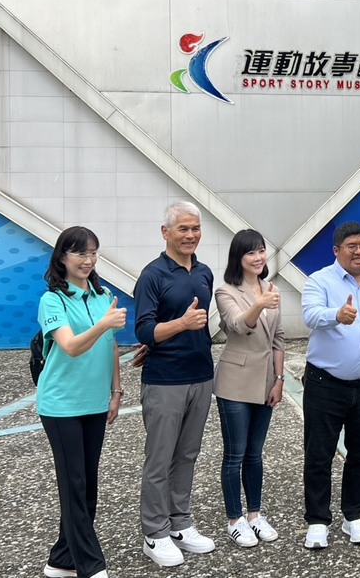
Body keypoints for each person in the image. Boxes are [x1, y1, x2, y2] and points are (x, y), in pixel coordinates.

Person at [300, 221, 360, 549]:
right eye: (352, 246)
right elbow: (311, 315)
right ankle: (317, 520)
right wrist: (336, 315)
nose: (359, 251)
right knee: (319, 453)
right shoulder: (320, 280)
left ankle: (355, 515)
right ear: (336, 251)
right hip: (325, 383)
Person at [37, 226, 125, 578]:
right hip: (61, 405)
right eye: (80, 253)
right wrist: (103, 324)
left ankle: (61, 561)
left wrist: (116, 392)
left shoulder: (104, 296)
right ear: (62, 257)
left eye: (93, 253)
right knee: (74, 484)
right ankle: (91, 567)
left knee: (87, 486)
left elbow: (111, 347)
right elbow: (71, 347)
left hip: (95, 403)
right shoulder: (53, 300)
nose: (88, 260)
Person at [134, 201, 217, 567]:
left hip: (201, 375)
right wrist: (180, 324)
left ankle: (180, 522)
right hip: (165, 380)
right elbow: (143, 330)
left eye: (195, 228)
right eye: (183, 228)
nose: (190, 235)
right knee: (160, 458)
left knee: (187, 455)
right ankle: (154, 532)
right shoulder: (152, 276)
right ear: (165, 232)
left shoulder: (205, 272)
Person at [213, 229, 285, 548]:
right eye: (251, 252)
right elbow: (238, 326)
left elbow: (279, 339)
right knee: (235, 454)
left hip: (266, 382)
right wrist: (259, 304)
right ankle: (235, 519)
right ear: (238, 258)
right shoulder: (226, 291)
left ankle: (255, 515)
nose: (258, 257)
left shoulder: (272, 289)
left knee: (255, 453)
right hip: (235, 382)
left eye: (261, 251)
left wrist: (279, 380)